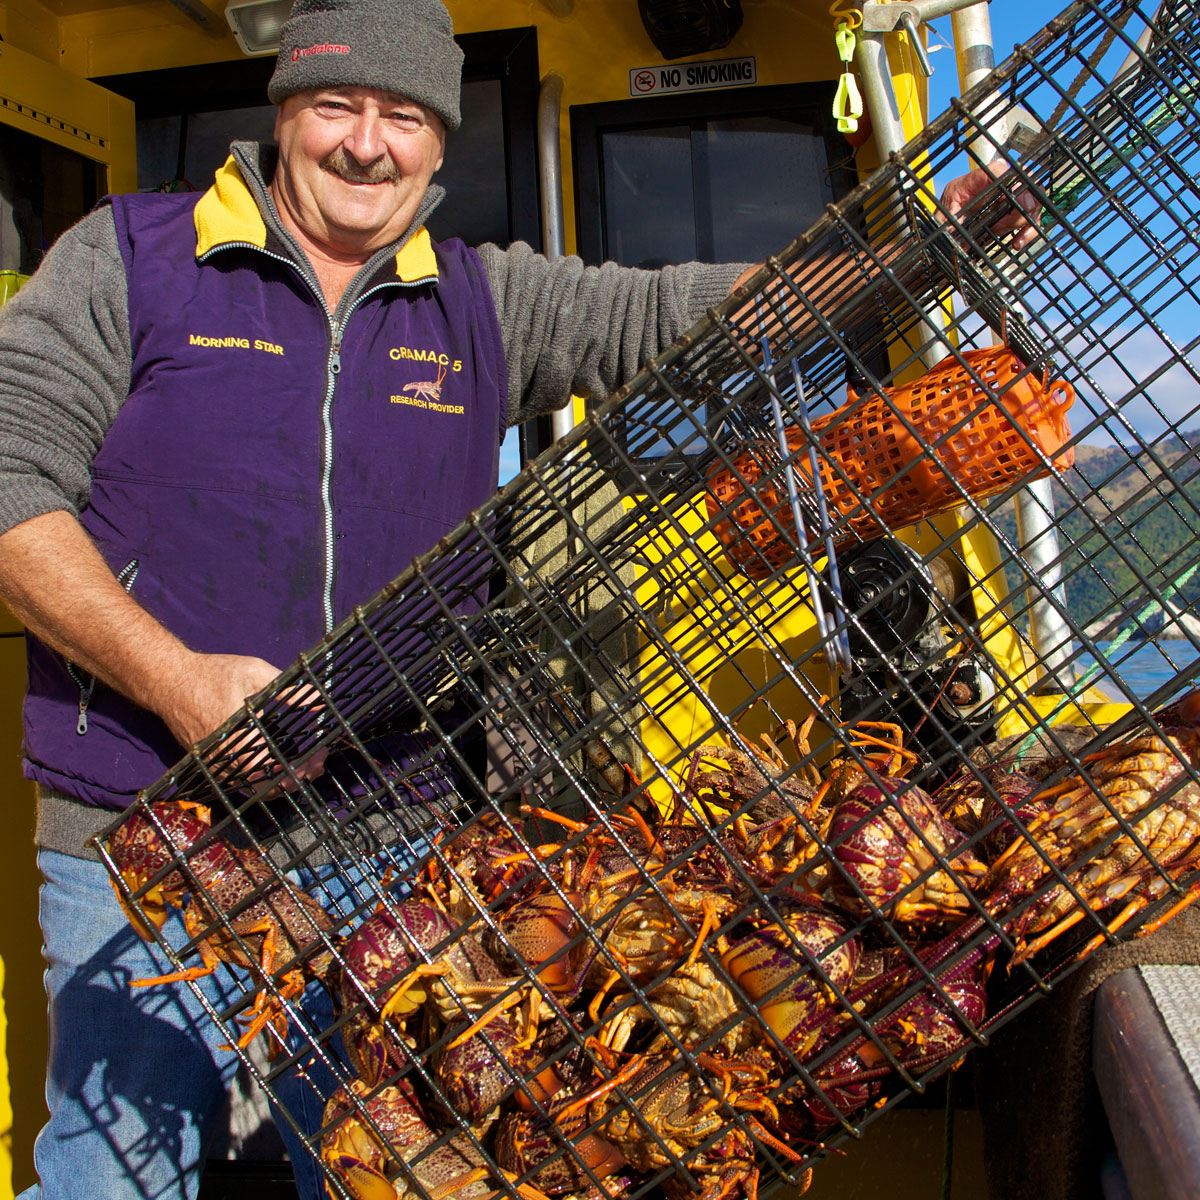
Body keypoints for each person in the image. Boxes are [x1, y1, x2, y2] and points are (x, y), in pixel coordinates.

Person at [0, 0, 1024, 1196]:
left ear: (440, 139)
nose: (367, 145)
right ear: (283, 115)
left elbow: (691, 312)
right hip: (146, 833)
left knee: (393, 1176)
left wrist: (911, 257)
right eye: (335, 105)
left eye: (404, 116)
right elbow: (11, 475)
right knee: (110, 1178)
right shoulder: (133, 257)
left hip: (390, 852)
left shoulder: (479, 300)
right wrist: (176, 682)